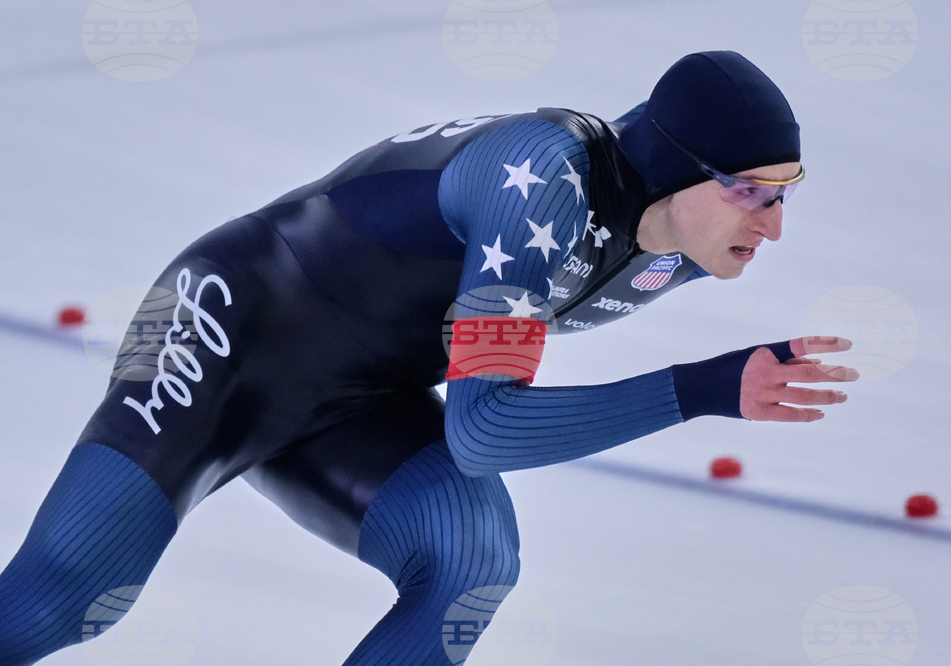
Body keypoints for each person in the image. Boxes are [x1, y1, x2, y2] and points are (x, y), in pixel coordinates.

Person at [0, 50, 857, 666]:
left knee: (469, 564)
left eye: (785, 194)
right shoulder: (543, 182)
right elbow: (484, 432)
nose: (772, 225)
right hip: (232, 323)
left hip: (364, 395)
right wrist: (700, 389)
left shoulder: (686, 244)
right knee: (62, 601)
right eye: (751, 192)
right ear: (678, 169)